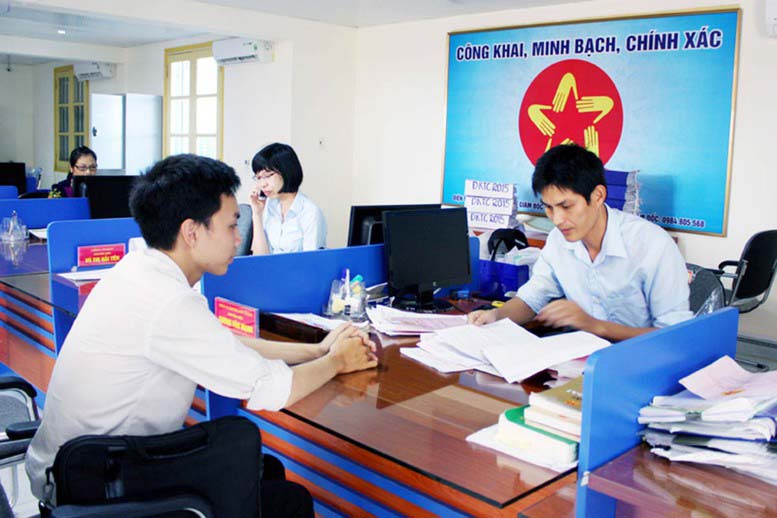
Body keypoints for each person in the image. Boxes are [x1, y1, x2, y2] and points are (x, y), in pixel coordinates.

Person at [26, 154, 377, 517]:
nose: (238, 239)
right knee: (287, 498)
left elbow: (221, 343)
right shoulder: (167, 301)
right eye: (231, 226)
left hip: (83, 467)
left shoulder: (138, 270)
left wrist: (315, 351)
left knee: (265, 471)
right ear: (192, 232)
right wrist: (337, 362)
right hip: (96, 487)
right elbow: (271, 389)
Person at [468, 144, 692, 341]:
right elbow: (531, 299)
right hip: (579, 357)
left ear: (598, 196)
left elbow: (675, 335)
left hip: (640, 360)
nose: (557, 219)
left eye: (566, 207)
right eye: (549, 208)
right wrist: (496, 316)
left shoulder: (652, 244)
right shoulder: (558, 240)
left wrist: (595, 326)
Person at [249, 143, 326, 255]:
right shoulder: (268, 205)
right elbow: (259, 259)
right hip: (269, 267)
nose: (262, 184)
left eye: (268, 176)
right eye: (259, 178)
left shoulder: (310, 213)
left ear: (286, 171)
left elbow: (311, 262)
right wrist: (257, 214)